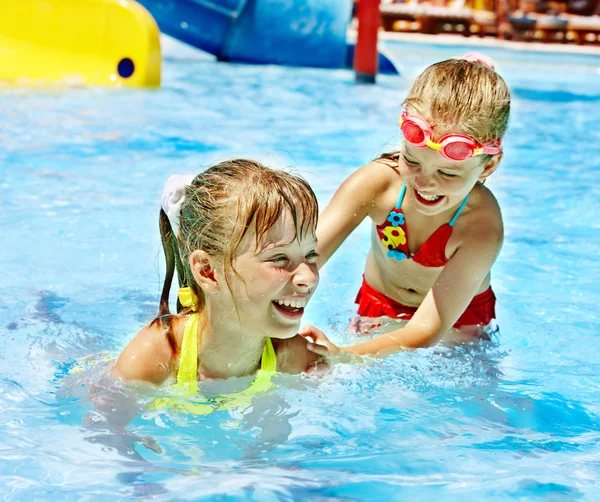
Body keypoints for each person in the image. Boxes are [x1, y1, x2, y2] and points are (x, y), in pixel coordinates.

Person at [303, 53, 510, 357]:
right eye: (411, 161)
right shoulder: (378, 184)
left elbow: (426, 330)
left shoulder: (480, 226)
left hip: (457, 326)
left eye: (447, 173)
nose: (424, 183)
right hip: (378, 307)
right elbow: (306, 258)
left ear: (489, 165)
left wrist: (344, 355)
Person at [110, 159, 322, 399]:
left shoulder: (294, 357)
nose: (308, 277)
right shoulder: (157, 355)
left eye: (311, 254)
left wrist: (337, 358)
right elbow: (107, 429)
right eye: (279, 258)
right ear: (208, 272)